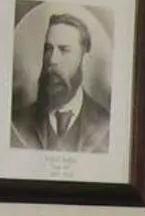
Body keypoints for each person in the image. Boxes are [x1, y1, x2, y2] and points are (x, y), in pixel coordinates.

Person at [9, 10, 110, 152]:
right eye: (48, 49)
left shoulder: (106, 123)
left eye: (64, 50)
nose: (52, 60)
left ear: (84, 59)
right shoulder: (18, 121)